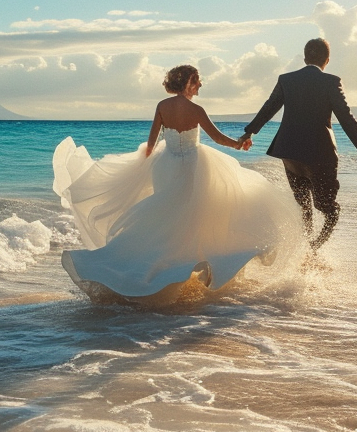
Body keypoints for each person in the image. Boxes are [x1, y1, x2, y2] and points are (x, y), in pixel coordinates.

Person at [52, 64, 303, 303]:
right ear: (187, 82)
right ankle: (188, 268)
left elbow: (151, 144)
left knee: (169, 216)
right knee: (195, 216)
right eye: (197, 80)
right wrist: (240, 143)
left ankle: (163, 267)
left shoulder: (162, 106)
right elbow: (217, 138)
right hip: (194, 166)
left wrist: (140, 167)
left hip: (166, 166)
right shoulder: (196, 110)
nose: (200, 84)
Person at [240, 38, 357, 249]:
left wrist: (248, 133)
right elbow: (346, 117)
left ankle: (305, 251)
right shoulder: (331, 81)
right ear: (327, 60)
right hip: (320, 154)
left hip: (289, 152)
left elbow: (269, 108)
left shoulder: (286, 80)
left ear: (304, 58)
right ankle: (313, 247)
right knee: (328, 208)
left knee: (303, 205)